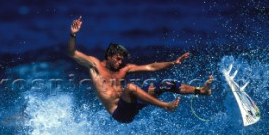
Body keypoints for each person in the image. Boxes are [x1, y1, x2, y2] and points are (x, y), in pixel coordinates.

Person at [68, 16, 213, 123]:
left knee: (166, 84)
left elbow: (151, 66)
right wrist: (73, 34)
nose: (120, 62)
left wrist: (173, 62)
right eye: (117, 59)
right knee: (131, 87)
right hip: (119, 113)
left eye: (121, 60)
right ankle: (165, 106)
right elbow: (72, 53)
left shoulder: (124, 69)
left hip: (131, 105)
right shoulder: (95, 65)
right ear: (109, 56)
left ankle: (201, 90)